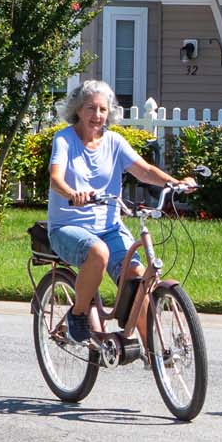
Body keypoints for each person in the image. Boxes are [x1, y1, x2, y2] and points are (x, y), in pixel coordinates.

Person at [47, 80, 197, 346]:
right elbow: (55, 178)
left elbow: (144, 170)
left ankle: (154, 353)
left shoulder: (114, 141)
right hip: (69, 226)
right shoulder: (65, 139)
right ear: (78, 110)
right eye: (91, 108)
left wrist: (175, 183)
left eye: (103, 109)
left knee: (138, 277)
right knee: (98, 252)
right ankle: (78, 314)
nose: (97, 115)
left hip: (110, 227)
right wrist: (72, 194)